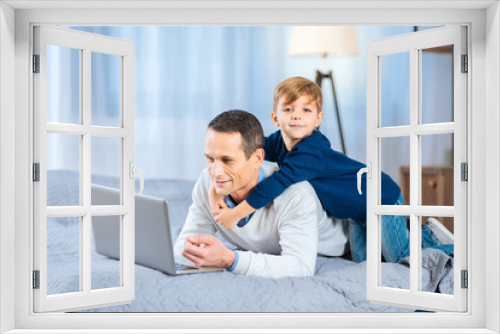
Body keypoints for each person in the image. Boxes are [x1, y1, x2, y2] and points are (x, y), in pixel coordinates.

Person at [209, 76, 454, 263]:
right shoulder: (275, 141)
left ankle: (437, 239)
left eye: (306, 110)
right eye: (288, 110)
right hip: (358, 212)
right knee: (364, 262)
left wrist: (236, 213)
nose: (297, 116)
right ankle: (416, 235)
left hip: (380, 195)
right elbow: (244, 156)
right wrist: (215, 191)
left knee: (399, 255)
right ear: (275, 118)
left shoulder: (310, 149)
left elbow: (276, 184)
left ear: (318, 119)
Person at [173, 110, 348, 278]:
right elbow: (183, 245)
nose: (216, 172)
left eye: (227, 160)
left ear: (257, 159)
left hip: (346, 241)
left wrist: (229, 259)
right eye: (210, 159)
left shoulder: (296, 196)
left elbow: (301, 267)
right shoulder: (207, 183)